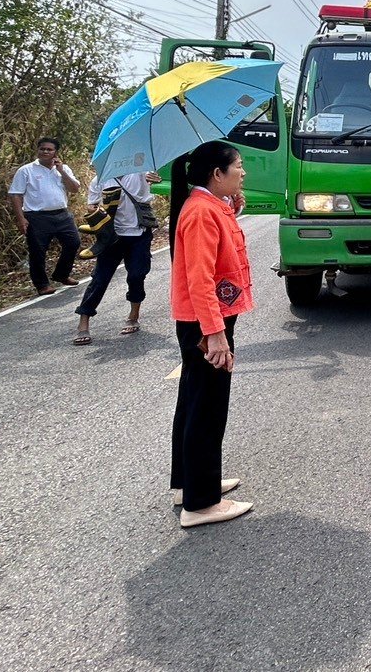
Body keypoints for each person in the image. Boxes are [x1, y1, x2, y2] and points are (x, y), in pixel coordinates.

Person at [169, 141, 255, 528]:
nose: (243, 172)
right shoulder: (202, 212)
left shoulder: (207, 205)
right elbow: (199, 278)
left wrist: (233, 203)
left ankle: (190, 483)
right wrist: (215, 334)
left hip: (204, 320)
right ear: (216, 174)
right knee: (207, 407)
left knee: (194, 399)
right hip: (207, 322)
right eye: (238, 167)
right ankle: (201, 504)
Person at [71, 170, 161, 345]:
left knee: (136, 275)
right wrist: (102, 208)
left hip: (139, 233)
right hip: (111, 236)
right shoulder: (99, 180)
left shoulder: (141, 173)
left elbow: (156, 180)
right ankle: (83, 322)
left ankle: (133, 314)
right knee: (99, 278)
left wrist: (155, 179)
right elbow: (91, 206)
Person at [6, 137, 83, 296]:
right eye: (42, 149)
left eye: (49, 149)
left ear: (56, 152)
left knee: (73, 243)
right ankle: (42, 285)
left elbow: (74, 189)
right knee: (38, 251)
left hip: (62, 215)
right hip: (37, 217)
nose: (45, 152)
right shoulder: (26, 170)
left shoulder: (63, 169)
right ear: (38, 150)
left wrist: (61, 171)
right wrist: (21, 218)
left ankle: (61, 274)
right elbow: (15, 195)